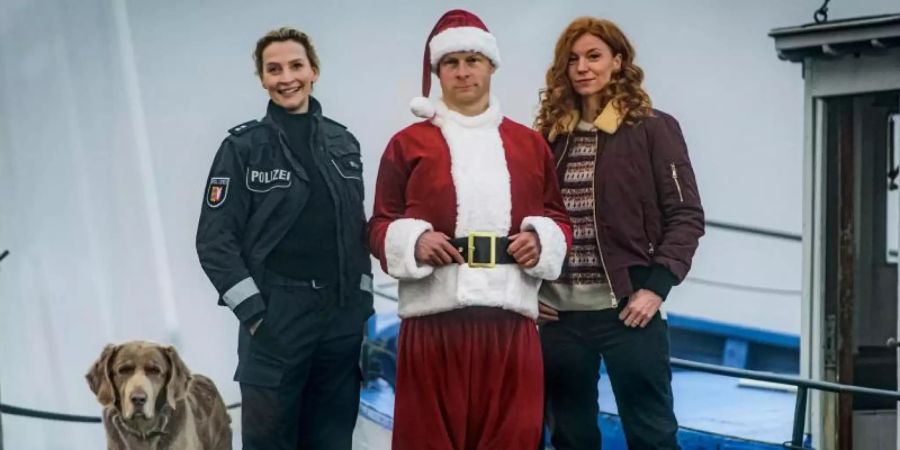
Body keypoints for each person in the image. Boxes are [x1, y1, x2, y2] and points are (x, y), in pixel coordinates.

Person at [367, 9, 573, 450]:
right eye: (451, 63)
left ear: (491, 66)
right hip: (433, 324)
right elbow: (380, 224)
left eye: (472, 60)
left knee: (512, 439)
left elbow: (558, 218)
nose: (462, 72)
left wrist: (542, 240)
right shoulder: (408, 143)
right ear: (437, 72)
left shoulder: (528, 145)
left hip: (510, 322)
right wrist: (414, 241)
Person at [196, 27, 373, 450]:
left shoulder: (343, 142)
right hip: (275, 317)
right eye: (273, 69)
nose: (286, 77)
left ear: (314, 71)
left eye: (296, 66)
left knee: (332, 441)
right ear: (261, 79)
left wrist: (360, 303)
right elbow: (214, 240)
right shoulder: (242, 148)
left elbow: (355, 230)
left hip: (339, 318)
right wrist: (256, 314)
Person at [534, 17, 705, 450]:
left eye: (594, 56)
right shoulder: (548, 137)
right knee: (571, 437)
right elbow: (528, 221)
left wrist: (656, 288)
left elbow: (686, 215)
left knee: (652, 436)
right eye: (572, 60)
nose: (582, 68)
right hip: (559, 318)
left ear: (618, 61)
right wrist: (528, 291)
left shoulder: (652, 128)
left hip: (629, 311)